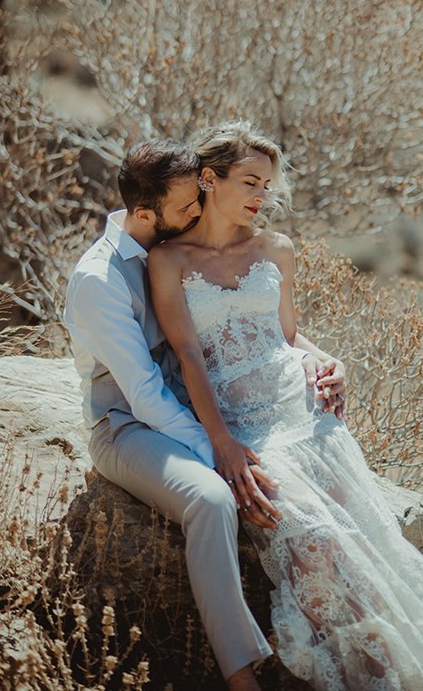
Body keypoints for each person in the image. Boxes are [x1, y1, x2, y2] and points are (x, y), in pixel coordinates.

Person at [147, 122, 423, 691]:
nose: (261, 197)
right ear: (207, 177)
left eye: (267, 186)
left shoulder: (276, 249)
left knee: (368, 547)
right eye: (250, 182)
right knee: (312, 540)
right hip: (244, 424)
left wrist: (333, 360)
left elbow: (287, 338)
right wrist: (222, 441)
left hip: (306, 414)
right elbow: (188, 354)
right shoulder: (169, 259)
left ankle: (397, 675)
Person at [64, 137, 345, 691]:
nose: (198, 210)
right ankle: (240, 672)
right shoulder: (100, 280)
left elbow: (261, 327)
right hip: (126, 425)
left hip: (194, 412)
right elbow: (143, 395)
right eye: (187, 205)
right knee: (212, 497)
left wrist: (321, 358)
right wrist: (223, 455)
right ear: (144, 213)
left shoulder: (167, 245)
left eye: (198, 196)